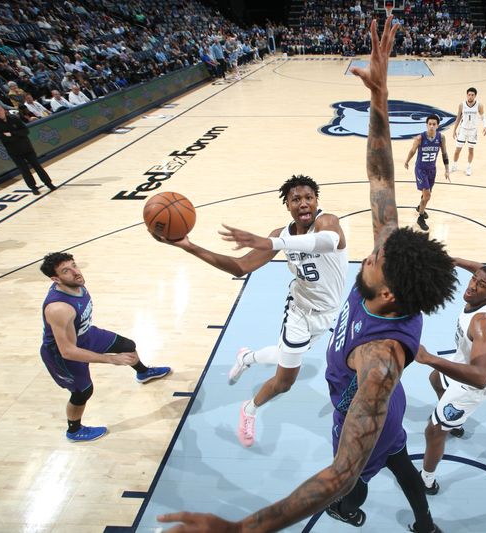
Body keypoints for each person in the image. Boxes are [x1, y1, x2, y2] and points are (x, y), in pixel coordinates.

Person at [158, 17, 456, 533]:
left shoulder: (380, 361)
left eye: (370, 261)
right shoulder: (393, 264)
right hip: (347, 359)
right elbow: (381, 175)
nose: (366, 254)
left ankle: (410, 520)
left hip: (361, 405)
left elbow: (339, 471)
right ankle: (424, 522)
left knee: (365, 469)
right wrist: (380, 97)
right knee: (397, 461)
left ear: (385, 293)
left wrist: (241, 529)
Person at [156, 174, 349, 447]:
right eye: (296, 199)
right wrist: (190, 247)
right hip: (300, 313)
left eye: (309, 198)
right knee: (284, 382)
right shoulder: (278, 235)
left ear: (317, 201)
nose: (304, 203)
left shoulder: (327, 221)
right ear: (287, 205)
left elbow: (328, 241)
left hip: (330, 311)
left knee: (287, 354)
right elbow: (240, 267)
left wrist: (274, 244)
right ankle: (249, 409)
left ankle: (247, 357)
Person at [39, 252, 172, 442]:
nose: (75, 272)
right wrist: (110, 359)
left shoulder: (76, 284)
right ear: (55, 279)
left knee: (127, 345)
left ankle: (143, 372)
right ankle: (74, 431)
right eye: (66, 271)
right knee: (83, 391)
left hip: (85, 334)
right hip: (62, 355)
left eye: (74, 265)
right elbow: (67, 351)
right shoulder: (59, 308)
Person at [417, 257, 486, 495]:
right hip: (462, 363)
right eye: (473, 279)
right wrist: (453, 261)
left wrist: (429, 358)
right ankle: (454, 422)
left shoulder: (482, 324)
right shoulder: (483, 293)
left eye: (481, 285)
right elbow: (481, 269)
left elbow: (480, 377)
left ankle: (427, 480)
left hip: (471, 385)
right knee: (435, 379)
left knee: (433, 431)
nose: (472, 285)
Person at [0, 103, 56, 194]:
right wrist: (17, 134)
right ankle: (33, 187)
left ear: (3, 109)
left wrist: (12, 133)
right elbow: (4, 139)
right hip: (14, 151)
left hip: (27, 147)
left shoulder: (14, 118)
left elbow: (25, 131)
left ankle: (49, 184)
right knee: (24, 170)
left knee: (37, 166)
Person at [404, 114, 450, 231]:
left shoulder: (441, 138)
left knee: (426, 195)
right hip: (420, 169)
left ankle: (420, 206)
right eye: (429, 124)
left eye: (434, 124)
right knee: (428, 195)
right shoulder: (420, 138)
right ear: (426, 125)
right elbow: (412, 150)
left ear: (438, 125)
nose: (431, 126)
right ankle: (420, 218)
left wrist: (447, 169)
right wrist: (407, 161)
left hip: (432, 170)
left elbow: (444, 153)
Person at [451, 87, 486, 176]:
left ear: (475, 96)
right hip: (463, 130)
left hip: (473, 131)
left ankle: (468, 167)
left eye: (472, 95)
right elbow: (458, 117)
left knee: (471, 150)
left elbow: (483, 117)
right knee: (457, 150)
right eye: (469, 95)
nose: (470, 96)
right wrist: (454, 129)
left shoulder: (479, 105)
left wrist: (485, 126)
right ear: (467, 95)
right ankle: (454, 165)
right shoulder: (462, 105)